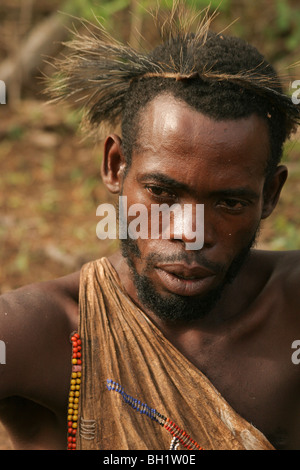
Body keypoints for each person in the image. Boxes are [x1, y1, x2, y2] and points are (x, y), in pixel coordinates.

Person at [0, 4, 299, 451]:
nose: (191, 232)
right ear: (116, 166)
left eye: (230, 202)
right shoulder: (43, 333)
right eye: (162, 192)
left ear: (270, 195)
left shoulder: (291, 307)